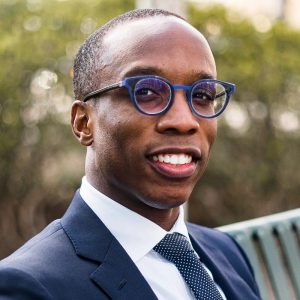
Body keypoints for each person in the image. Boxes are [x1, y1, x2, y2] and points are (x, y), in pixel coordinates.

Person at [0, 8, 261, 300]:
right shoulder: (28, 287)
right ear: (84, 122)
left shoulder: (227, 251)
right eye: (147, 92)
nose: (184, 121)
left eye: (202, 96)